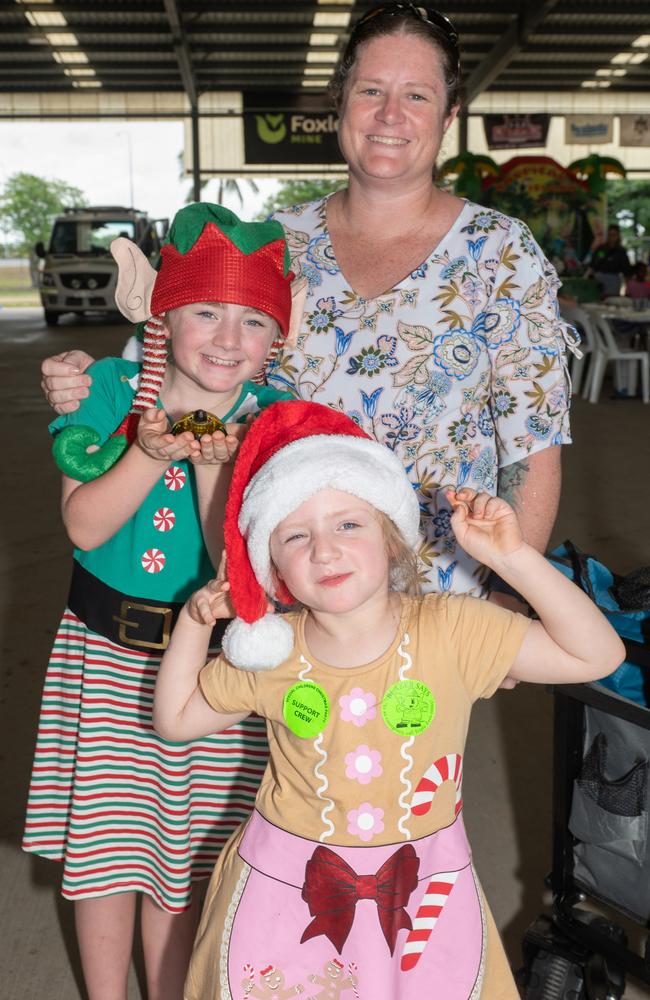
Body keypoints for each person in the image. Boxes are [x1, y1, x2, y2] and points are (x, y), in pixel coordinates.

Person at [40, 2, 574, 605]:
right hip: (288, 593)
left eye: (417, 96)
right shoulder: (273, 242)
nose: (390, 115)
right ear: (339, 100)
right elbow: (167, 361)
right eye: (371, 89)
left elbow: (531, 446)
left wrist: (513, 598)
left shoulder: (501, 252)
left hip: (443, 604)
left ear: (450, 113)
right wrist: (86, 376)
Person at [153, 399, 624, 1000]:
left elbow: (598, 656)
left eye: (348, 524)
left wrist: (513, 558)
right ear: (271, 568)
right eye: (296, 535)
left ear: (393, 539)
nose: (324, 550)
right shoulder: (267, 653)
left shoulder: (454, 630)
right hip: (285, 891)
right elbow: (175, 720)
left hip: (423, 891)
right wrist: (196, 624)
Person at [22, 203, 302, 1000]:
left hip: (214, 675)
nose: (227, 337)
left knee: (182, 861)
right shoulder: (105, 390)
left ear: (279, 335)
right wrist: (148, 450)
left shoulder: (276, 422)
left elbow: (241, 565)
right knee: (107, 859)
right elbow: (83, 523)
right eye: (206, 311)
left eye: (253, 320)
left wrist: (215, 463)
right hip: (105, 660)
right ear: (162, 312)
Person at [587, 223, 632, 297]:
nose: (612, 237)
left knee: (612, 300)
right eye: (610, 235)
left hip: (614, 280)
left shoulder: (621, 251)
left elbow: (626, 271)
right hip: (599, 278)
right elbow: (593, 264)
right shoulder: (601, 249)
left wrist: (628, 287)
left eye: (614, 235)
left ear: (618, 236)